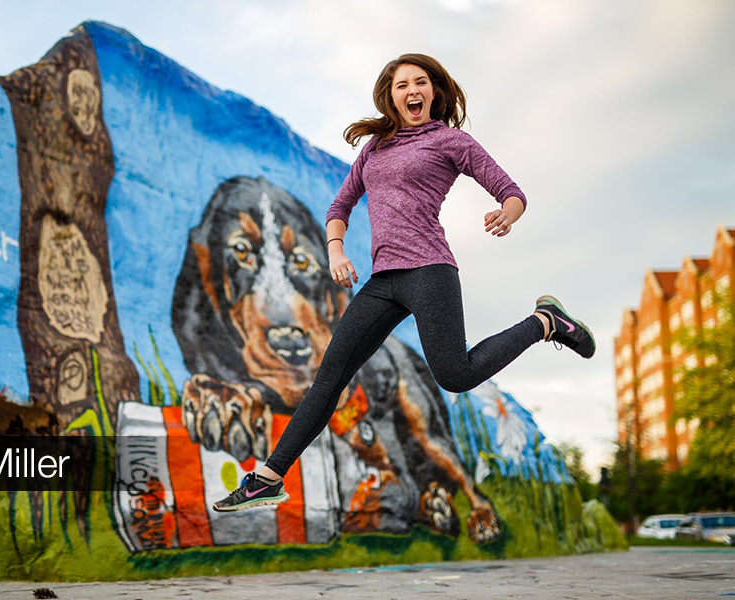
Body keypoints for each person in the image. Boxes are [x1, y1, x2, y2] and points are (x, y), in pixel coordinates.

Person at [212, 53, 595, 512]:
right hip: (382, 281)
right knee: (328, 379)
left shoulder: (452, 141)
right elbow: (340, 206)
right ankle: (268, 479)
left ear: (433, 91)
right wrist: (335, 250)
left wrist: (505, 215)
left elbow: (512, 193)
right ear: (390, 96)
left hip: (430, 271)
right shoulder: (374, 149)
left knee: (456, 375)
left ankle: (544, 323)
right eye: (401, 85)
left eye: (419, 83)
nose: (411, 91)